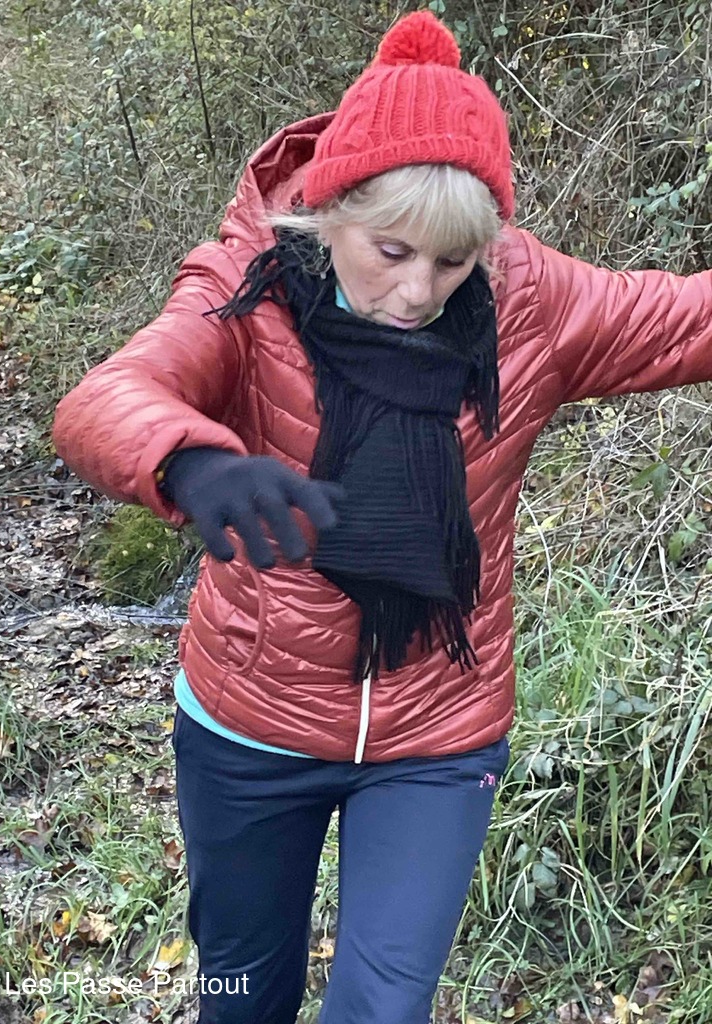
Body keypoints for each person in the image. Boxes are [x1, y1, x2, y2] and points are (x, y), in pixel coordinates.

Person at [52, 11, 712, 1024]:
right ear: (330, 211)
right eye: (392, 250)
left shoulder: (530, 301)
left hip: (438, 733)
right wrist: (186, 459)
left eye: (452, 263)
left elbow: (690, 318)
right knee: (241, 990)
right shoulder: (248, 287)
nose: (417, 292)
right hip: (251, 723)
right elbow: (106, 400)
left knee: (383, 1008)